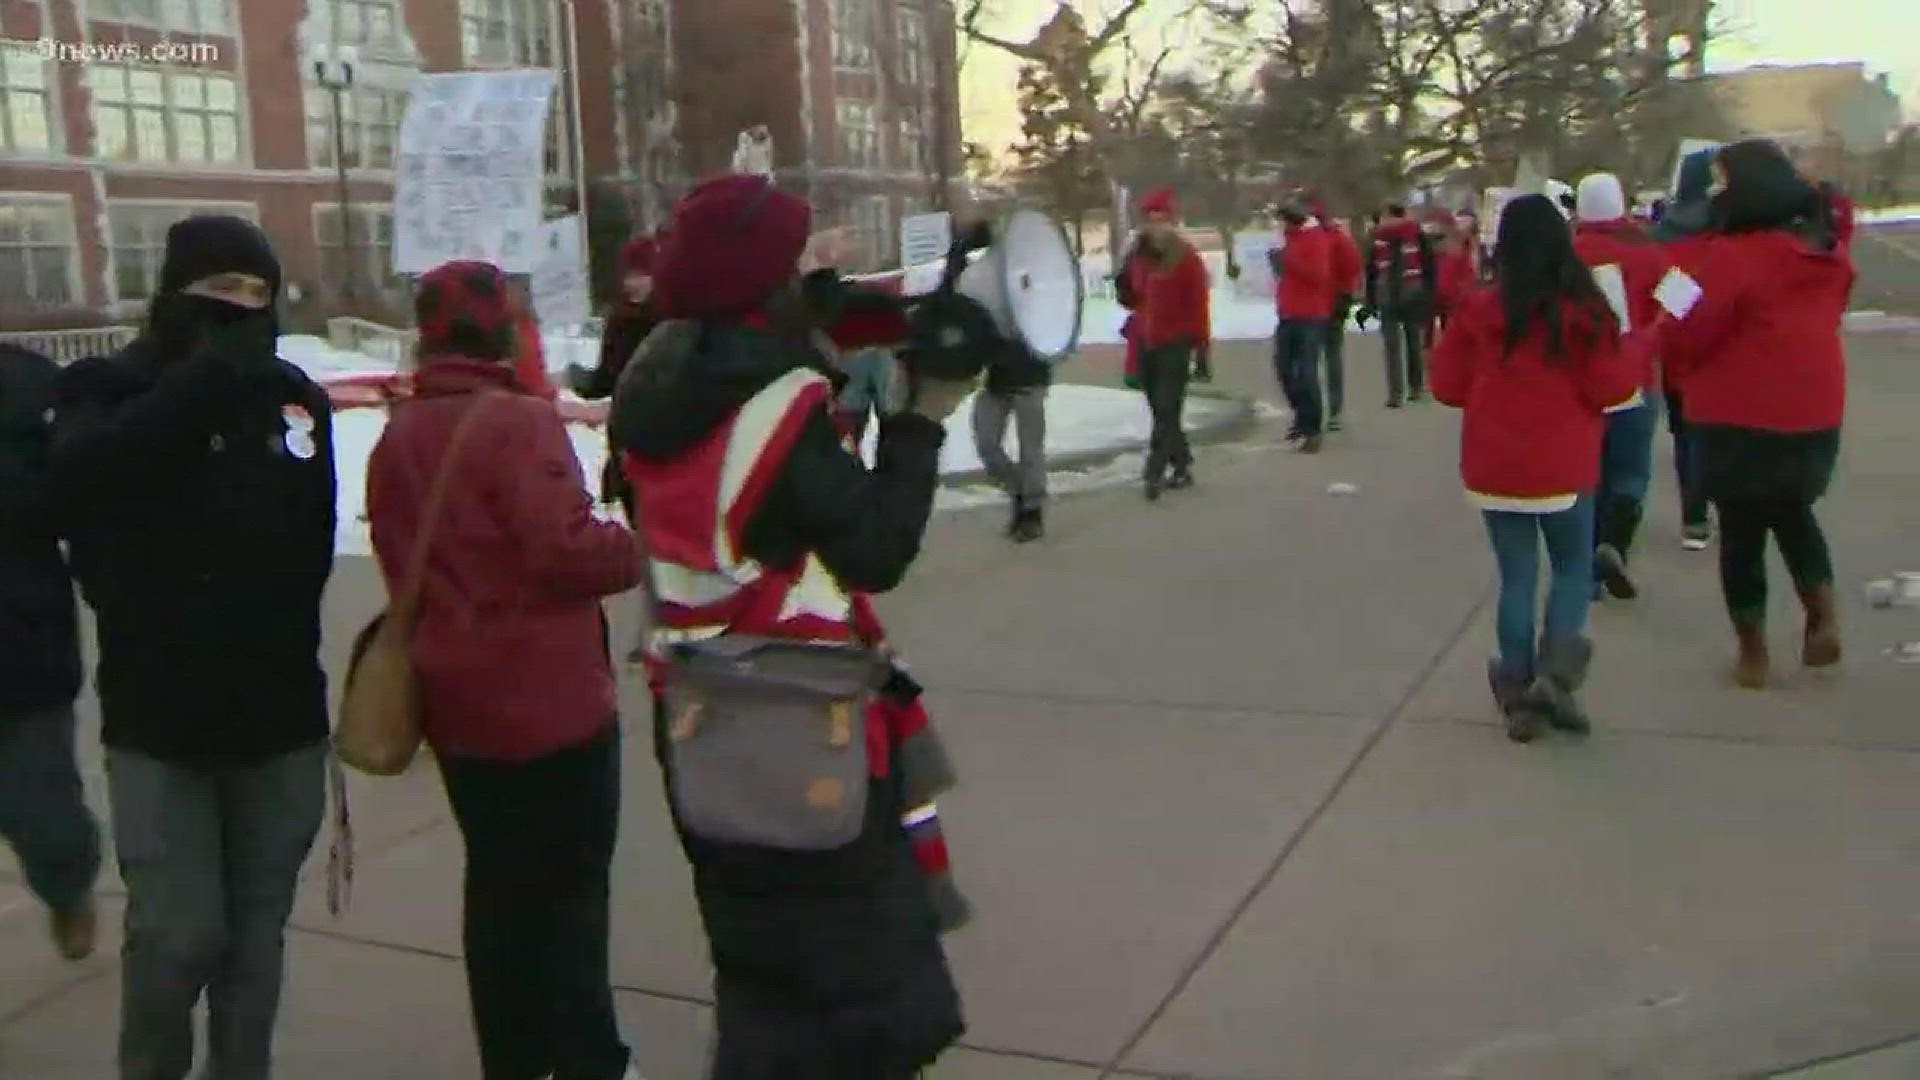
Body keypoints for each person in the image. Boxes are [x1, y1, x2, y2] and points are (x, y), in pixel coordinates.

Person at [608, 173, 972, 1079]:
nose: (813, 265)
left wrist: (828, 318)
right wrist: (922, 420)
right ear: (758, 276)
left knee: (758, 961)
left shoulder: (657, 374)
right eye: (796, 253)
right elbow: (877, 547)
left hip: (700, 711)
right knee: (851, 980)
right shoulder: (778, 403)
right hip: (802, 714)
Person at [47, 215, 336, 1079]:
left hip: (279, 719)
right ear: (174, 295)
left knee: (254, 942)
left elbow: (311, 533)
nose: (241, 310)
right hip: (159, 720)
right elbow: (78, 486)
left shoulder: (292, 398)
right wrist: (201, 385)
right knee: (178, 937)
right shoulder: (109, 388)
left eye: (257, 294)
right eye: (220, 292)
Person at [365, 260, 646, 1080]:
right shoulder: (517, 423)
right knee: (571, 892)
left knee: (496, 891)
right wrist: (635, 543)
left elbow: (396, 554)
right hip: (552, 705)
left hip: (456, 706)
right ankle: (592, 1059)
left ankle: (514, 1061)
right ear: (501, 330)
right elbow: (567, 551)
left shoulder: (399, 436)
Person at [1430, 195, 1638, 743]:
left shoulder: (1478, 309)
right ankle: (1556, 675)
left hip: (1494, 465)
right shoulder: (1583, 312)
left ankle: (1518, 690)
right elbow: (1613, 389)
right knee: (1571, 568)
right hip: (1564, 464)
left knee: (1517, 576)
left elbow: (1446, 386)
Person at [1659, 139, 1852, 690]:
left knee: (1742, 529)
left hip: (1737, 412)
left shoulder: (1727, 258)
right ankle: (1823, 615)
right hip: (1814, 411)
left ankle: (1753, 652)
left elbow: (1688, 329)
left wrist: (1670, 333)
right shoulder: (1824, 254)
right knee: (1794, 513)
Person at [0, 343, 103, 963]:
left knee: (43, 815)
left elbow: (78, 493)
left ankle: (68, 889)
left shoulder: (27, 386)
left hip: (22, 647)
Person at [1572, 171, 1677, 601]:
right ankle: (1615, 544)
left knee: (1586, 474)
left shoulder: (1568, 254)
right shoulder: (1647, 253)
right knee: (1630, 473)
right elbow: (1684, 301)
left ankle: (1586, 569)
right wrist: (1652, 337)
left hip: (1580, 382)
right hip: (1636, 375)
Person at [1654, 146, 1721, 549]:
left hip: (1678, 349)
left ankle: (1694, 518)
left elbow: (1670, 299)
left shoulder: (1663, 237)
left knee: (1686, 437)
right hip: (1721, 349)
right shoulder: (1727, 232)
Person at [570, 232, 663, 520]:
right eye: (629, 275)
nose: (632, 284)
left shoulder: (674, 323)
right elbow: (606, 380)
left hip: (664, 444)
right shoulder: (620, 321)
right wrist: (575, 379)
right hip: (625, 445)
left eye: (642, 275)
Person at [1125, 188, 1212, 497]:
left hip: (1177, 342)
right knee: (1161, 410)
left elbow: (1199, 305)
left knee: (1166, 407)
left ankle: (1153, 472)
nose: (1158, 227)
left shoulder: (1186, 258)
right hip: (1147, 341)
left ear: (1172, 223)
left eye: (1163, 221)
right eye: (1152, 221)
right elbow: (1132, 297)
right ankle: (1182, 462)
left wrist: (1202, 348)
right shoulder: (1138, 256)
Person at [1267, 193, 1336, 452]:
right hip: (1288, 312)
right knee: (1283, 368)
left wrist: (1287, 261)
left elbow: (1318, 276)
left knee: (1306, 372)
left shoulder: (1315, 239)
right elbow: (1288, 277)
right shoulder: (1289, 240)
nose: (1279, 227)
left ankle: (1313, 428)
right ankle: (1301, 416)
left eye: (1282, 221)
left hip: (1311, 314)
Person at [970, 336, 1052, 542]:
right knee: (986, 443)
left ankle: (1032, 511)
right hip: (994, 381)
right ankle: (1018, 492)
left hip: (1031, 380)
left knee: (1030, 449)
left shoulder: (1036, 306)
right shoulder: (994, 305)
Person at [1360, 202, 1438, 407]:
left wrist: (1370, 300)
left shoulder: (1377, 238)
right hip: (1411, 293)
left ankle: (1396, 394)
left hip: (1389, 295)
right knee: (1412, 342)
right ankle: (1415, 387)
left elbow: (1370, 271)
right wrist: (1429, 294)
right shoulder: (1416, 234)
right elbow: (1429, 265)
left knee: (1392, 346)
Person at [1317, 200, 1364, 432]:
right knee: (1332, 354)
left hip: (1319, 302)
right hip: (1337, 299)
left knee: (1311, 357)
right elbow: (1353, 265)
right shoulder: (1338, 237)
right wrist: (1346, 289)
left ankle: (1319, 409)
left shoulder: (1321, 239)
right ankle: (1335, 409)